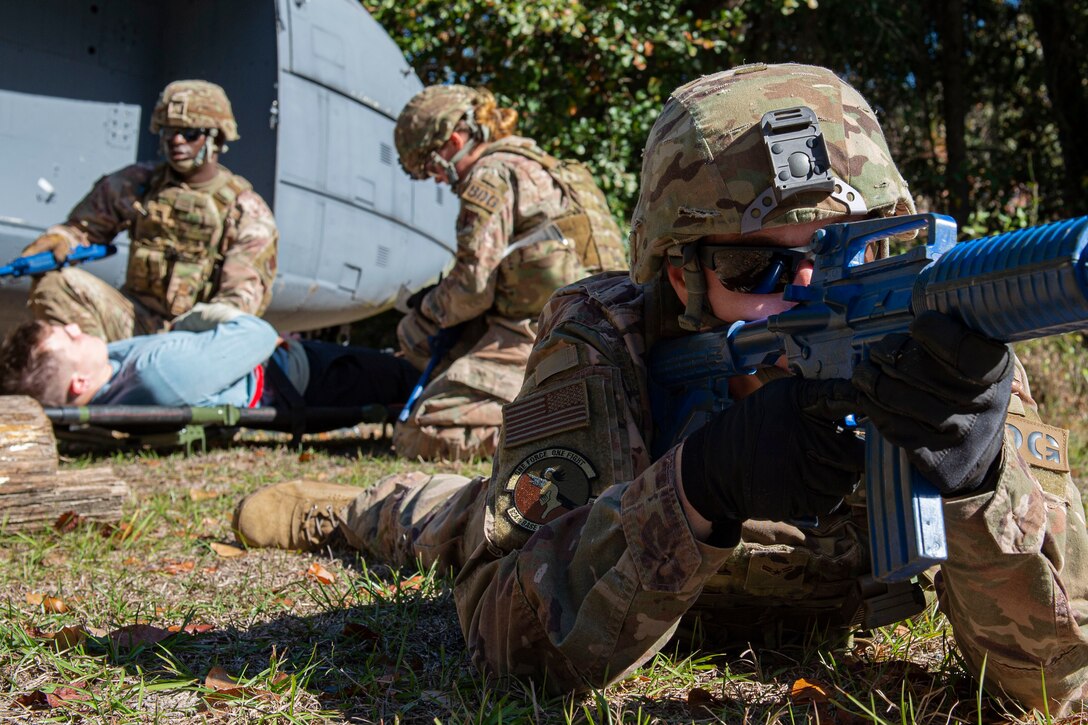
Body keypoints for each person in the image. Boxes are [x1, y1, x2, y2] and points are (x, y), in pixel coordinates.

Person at [232, 64, 1088, 715]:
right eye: (759, 266)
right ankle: (351, 508)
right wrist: (701, 486)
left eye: (846, 252)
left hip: (827, 592)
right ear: (677, 277)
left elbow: (1059, 679)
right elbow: (501, 629)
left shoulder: (941, 339)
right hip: (608, 533)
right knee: (451, 518)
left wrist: (978, 484)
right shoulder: (610, 340)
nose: (809, 293)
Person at [390, 84, 627, 460]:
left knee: (419, 431)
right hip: (606, 326)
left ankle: (570, 430)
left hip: (542, 333)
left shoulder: (489, 175)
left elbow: (470, 288)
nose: (438, 178)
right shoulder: (547, 166)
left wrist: (426, 310)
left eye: (433, 165)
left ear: (454, 141)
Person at [20, 80, 278, 343]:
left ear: (216, 137)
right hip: (134, 320)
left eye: (190, 133)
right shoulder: (139, 184)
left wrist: (191, 337)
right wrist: (61, 239)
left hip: (193, 340)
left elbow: (237, 304)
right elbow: (84, 229)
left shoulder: (246, 211)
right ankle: (97, 370)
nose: (176, 141)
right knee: (54, 285)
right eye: (169, 132)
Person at [0, 302, 416, 412]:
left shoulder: (113, 376)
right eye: (66, 339)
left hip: (296, 367)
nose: (75, 328)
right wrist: (202, 316)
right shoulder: (160, 373)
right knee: (412, 376)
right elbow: (259, 333)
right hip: (316, 375)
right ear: (78, 384)